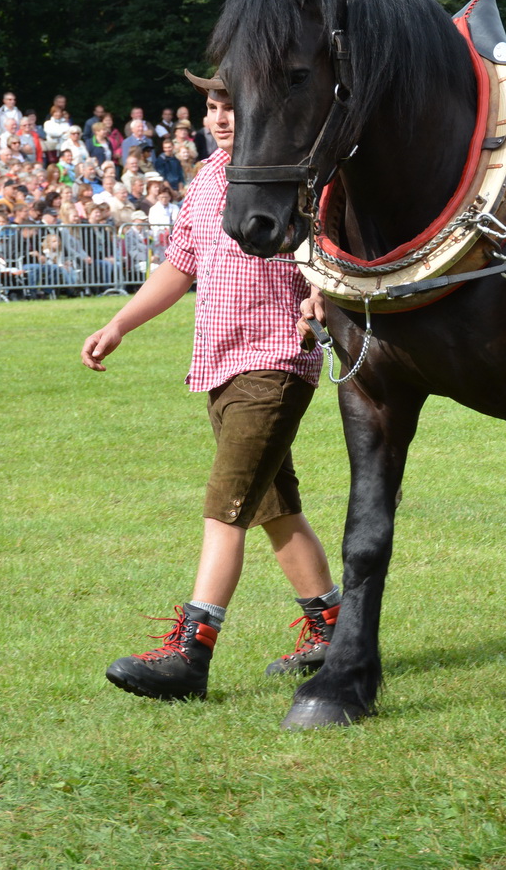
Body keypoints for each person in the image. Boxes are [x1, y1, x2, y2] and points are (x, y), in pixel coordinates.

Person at [83, 71, 340, 701]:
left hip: (276, 361)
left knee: (224, 508)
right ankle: (332, 631)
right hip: (219, 367)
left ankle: (189, 655)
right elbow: (180, 266)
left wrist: (321, 291)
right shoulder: (205, 181)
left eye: (233, 106)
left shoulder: (293, 174)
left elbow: (334, 246)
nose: (221, 117)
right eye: (213, 106)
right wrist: (121, 322)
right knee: (275, 509)